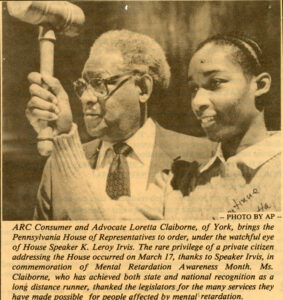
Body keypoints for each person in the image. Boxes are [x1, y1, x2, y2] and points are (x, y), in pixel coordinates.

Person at [26, 30, 213, 220]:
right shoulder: (57, 166)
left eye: (99, 84)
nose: (85, 98)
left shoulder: (202, 158)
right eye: (82, 86)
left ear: (142, 88)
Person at [164, 34, 281, 219]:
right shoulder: (188, 180)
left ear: (260, 85)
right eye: (194, 89)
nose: (197, 102)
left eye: (215, 82)